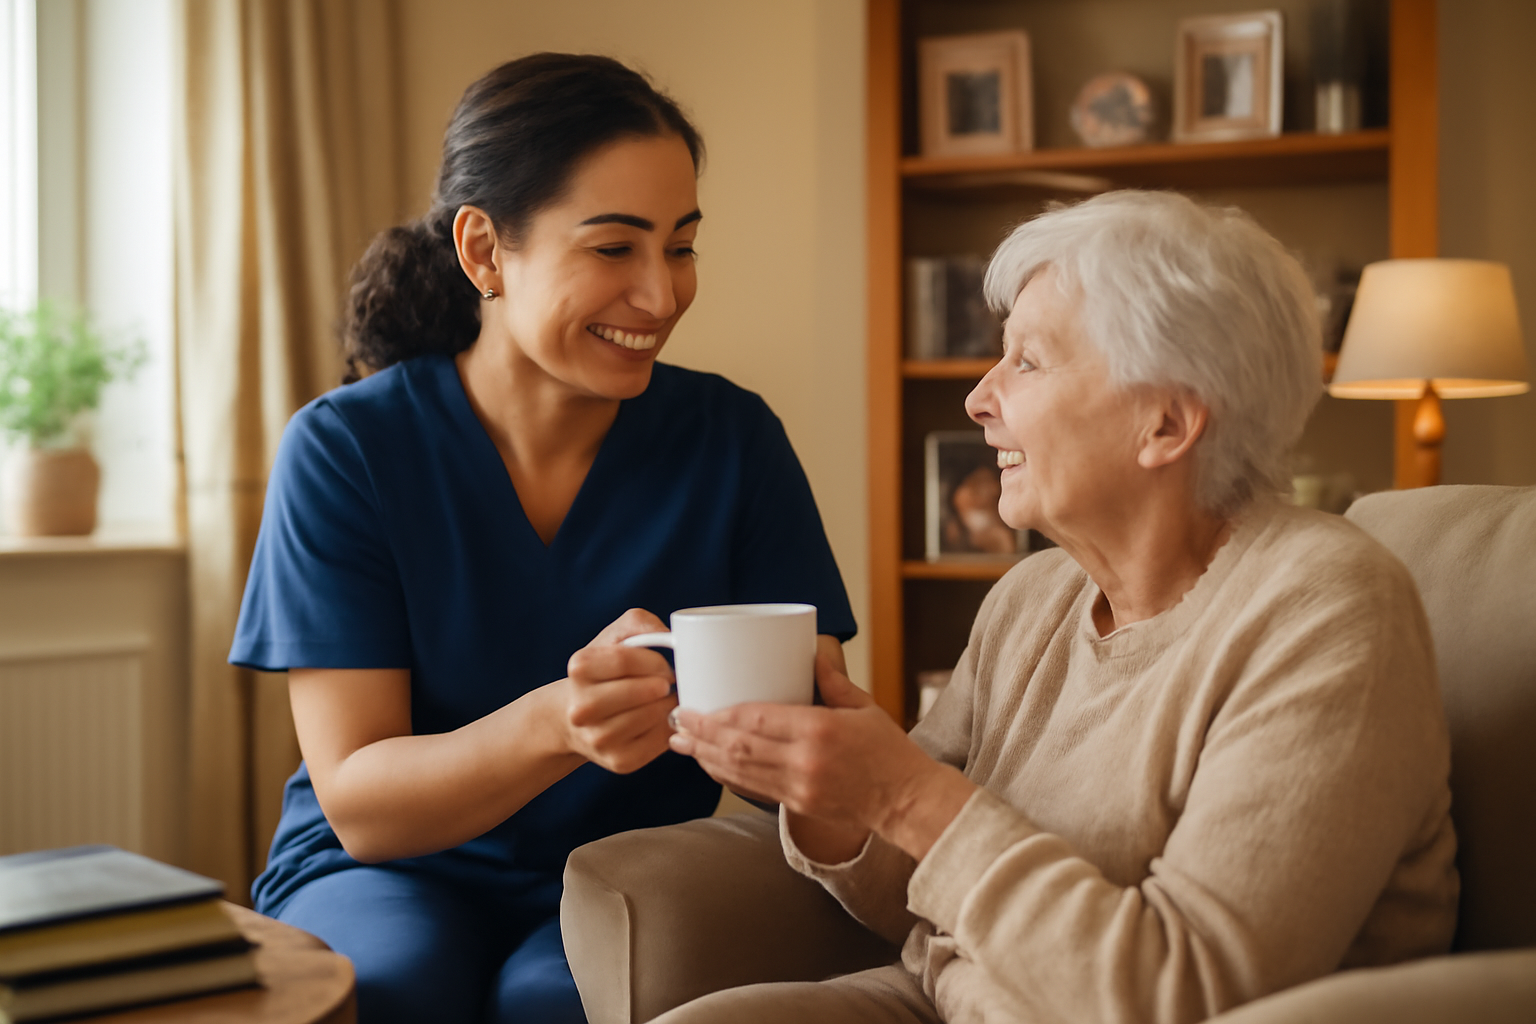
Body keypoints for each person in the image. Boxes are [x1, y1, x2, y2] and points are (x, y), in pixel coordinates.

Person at [661, 191, 1457, 1023]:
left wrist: (904, 794)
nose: (979, 399)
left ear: (1165, 423)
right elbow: (923, 893)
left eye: (1028, 362)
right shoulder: (1031, 598)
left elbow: (1189, 994)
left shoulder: (1326, 611)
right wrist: (831, 790)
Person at [228, 53, 855, 1024]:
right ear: (484, 251)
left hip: (621, 869)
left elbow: (807, 751)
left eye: (681, 247)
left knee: (557, 1002)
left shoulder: (732, 441)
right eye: (614, 248)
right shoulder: (347, 449)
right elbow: (362, 802)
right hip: (383, 863)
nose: (661, 295)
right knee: (393, 985)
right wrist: (558, 724)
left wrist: (831, 758)